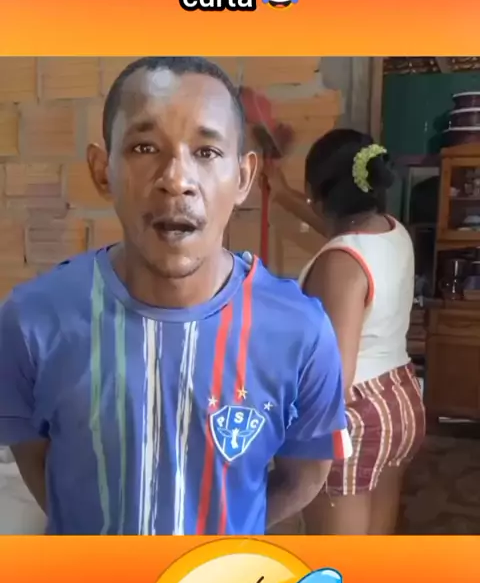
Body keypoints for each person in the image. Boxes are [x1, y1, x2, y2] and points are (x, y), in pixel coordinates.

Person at [0, 57, 352, 536]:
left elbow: (304, 475)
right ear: (103, 171)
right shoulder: (33, 322)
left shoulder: (301, 332)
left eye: (206, 151)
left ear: (244, 177)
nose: (177, 179)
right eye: (144, 147)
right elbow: (40, 468)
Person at [263, 127, 425, 535]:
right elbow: (338, 230)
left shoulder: (339, 263)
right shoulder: (390, 230)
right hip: (400, 400)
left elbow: (334, 377)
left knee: (339, 560)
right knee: (375, 544)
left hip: (355, 415)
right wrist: (281, 193)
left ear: (316, 194)